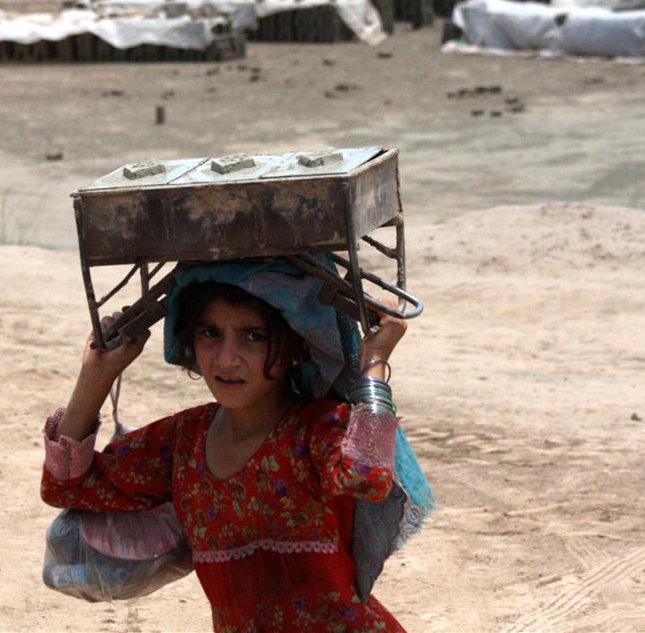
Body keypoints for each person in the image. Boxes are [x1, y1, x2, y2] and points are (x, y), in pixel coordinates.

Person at [41, 258, 432, 632]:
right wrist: (97, 374)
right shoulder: (184, 440)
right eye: (210, 333)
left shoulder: (316, 428)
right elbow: (67, 485)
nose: (227, 360)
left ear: (296, 346)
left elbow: (367, 476)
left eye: (253, 336)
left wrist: (375, 362)